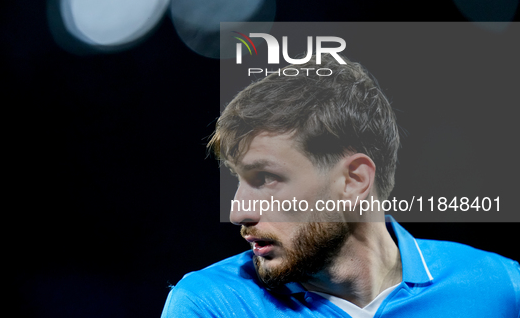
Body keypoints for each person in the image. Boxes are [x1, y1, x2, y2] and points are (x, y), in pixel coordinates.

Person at [161, 57, 520, 317]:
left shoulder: (503, 288)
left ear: (354, 180)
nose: (238, 211)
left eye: (265, 179)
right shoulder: (210, 304)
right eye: (239, 180)